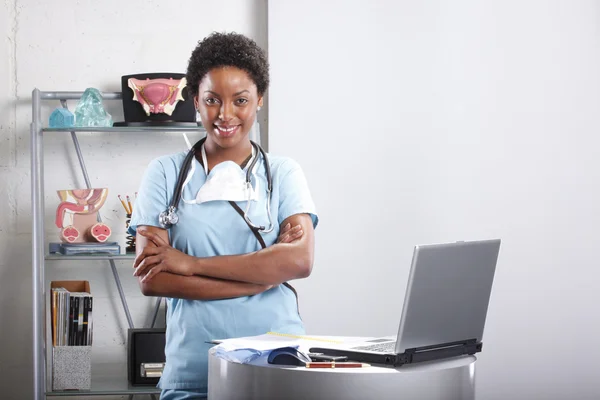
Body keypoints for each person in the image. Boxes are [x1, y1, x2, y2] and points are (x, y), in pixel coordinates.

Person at [128, 32, 318, 400]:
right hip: (195, 372)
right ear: (195, 100)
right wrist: (262, 279)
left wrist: (188, 263)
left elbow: (299, 261)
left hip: (279, 364)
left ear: (259, 100)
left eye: (241, 100)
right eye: (213, 100)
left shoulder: (283, 173)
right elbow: (152, 279)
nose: (226, 114)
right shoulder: (165, 173)